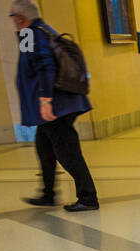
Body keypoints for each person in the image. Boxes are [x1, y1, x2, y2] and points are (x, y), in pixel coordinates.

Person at [12, 0, 99, 211]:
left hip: (56, 106)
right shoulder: (43, 30)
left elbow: (44, 66)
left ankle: (88, 197)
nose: (13, 21)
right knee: (45, 150)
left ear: (20, 17)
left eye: (13, 17)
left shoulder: (30, 33)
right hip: (61, 103)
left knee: (67, 152)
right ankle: (48, 193)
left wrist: (45, 100)